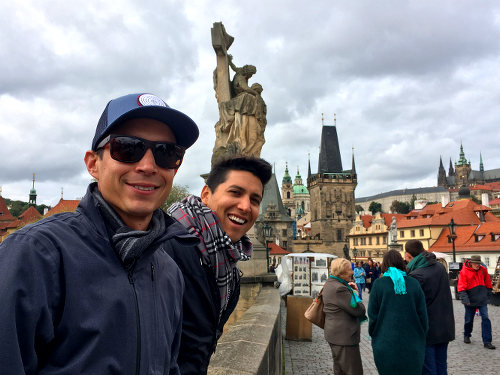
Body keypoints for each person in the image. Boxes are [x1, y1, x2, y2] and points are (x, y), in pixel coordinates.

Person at [0, 93, 200, 374]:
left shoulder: (168, 272)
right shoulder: (35, 255)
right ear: (93, 163)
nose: (147, 165)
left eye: (167, 153)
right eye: (127, 148)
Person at [167, 156, 272, 374]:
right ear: (206, 195)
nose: (245, 206)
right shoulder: (166, 250)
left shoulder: (228, 266)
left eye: (254, 200)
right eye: (235, 192)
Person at [368, 250, 428, 375]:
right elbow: (423, 314)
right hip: (412, 342)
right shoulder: (414, 283)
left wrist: (375, 335)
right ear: (401, 263)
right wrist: (422, 334)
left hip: (385, 341)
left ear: (384, 264)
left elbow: (372, 315)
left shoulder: (378, 285)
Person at [405, 240, 455, 375]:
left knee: (428, 369)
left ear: (408, 255)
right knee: (441, 366)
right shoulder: (440, 267)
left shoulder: (416, 275)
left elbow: (413, 306)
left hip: (427, 330)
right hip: (444, 325)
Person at [322, 258, 367, 375]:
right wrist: (353, 292)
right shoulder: (340, 289)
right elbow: (359, 310)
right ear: (341, 273)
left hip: (335, 335)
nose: (352, 272)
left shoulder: (330, 283)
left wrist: (347, 286)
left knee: (340, 370)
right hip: (344, 337)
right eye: (349, 270)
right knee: (352, 371)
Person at [457, 255, 495, 349]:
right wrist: (465, 299)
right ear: (471, 263)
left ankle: (487, 341)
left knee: (485, 318)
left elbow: (487, 282)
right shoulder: (464, 272)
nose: (478, 265)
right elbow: (461, 287)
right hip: (470, 300)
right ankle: (467, 334)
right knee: (469, 320)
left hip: (482, 299)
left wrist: (488, 293)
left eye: (479, 263)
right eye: (476, 263)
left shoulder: (483, 270)